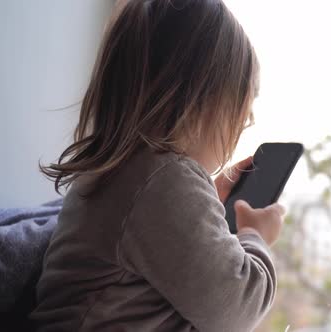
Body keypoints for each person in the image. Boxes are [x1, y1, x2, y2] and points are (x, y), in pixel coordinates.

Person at [30, 0, 284, 331]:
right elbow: (236, 308)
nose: (245, 123)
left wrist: (205, 204)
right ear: (201, 101)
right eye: (242, 110)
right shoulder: (163, 180)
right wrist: (256, 236)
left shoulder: (130, 173)